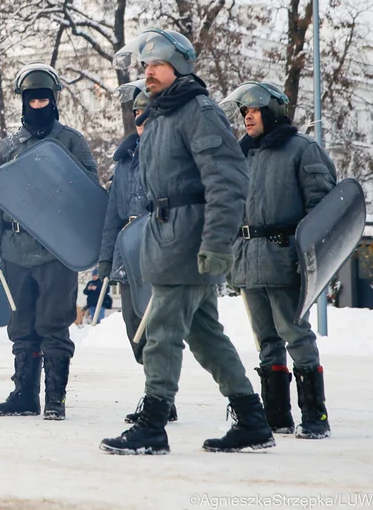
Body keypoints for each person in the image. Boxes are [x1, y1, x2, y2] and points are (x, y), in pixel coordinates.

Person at [100, 29, 274, 455]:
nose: (148, 73)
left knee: (161, 330)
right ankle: (252, 419)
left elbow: (228, 181)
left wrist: (216, 243)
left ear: (177, 68)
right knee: (204, 334)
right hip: (167, 234)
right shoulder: (162, 115)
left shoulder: (199, 111)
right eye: (145, 66)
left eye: (155, 65)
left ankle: (153, 425)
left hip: (189, 237)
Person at [222, 80, 335, 439]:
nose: (247, 118)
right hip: (248, 259)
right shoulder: (240, 154)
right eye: (244, 112)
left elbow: (323, 206)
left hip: (285, 258)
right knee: (266, 340)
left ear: (271, 113)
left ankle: (314, 416)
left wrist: (308, 256)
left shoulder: (301, 150)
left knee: (294, 333)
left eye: (253, 111)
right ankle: (277, 417)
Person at [0, 63, 98, 421]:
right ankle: (24, 394)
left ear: (53, 100)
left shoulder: (71, 142)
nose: (37, 104)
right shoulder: (10, 147)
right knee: (21, 327)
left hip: (57, 250)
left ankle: (55, 398)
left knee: (53, 324)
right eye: (31, 98)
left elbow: (88, 195)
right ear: (23, 102)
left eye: (43, 98)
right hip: (16, 249)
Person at [96, 80, 179, 424]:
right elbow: (112, 216)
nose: (141, 120)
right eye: (137, 115)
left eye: (147, 113)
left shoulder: (172, 154)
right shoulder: (124, 160)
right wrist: (104, 259)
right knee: (135, 326)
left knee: (157, 325)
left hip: (158, 245)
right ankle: (157, 388)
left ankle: (160, 398)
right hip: (126, 252)